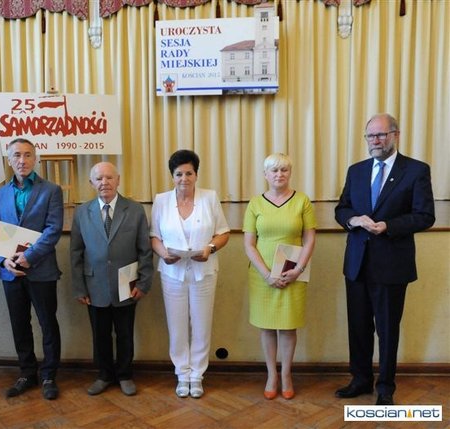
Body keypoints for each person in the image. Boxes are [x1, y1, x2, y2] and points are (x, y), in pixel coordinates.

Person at [334, 113, 435, 406]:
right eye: (370, 136)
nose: (375, 141)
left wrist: (388, 226)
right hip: (357, 263)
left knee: (387, 330)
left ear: (395, 135)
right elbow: (342, 209)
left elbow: (425, 215)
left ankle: (386, 387)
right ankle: (360, 379)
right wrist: (353, 219)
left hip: (392, 265)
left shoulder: (415, 170)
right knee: (358, 327)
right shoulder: (356, 171)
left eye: (381, 135)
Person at [150, 150, 230, 399]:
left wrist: (210, 248)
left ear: (196, 174)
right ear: (172, 176)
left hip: (203, 271)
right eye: (179, 174)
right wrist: (163, 253)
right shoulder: (161, 200)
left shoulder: (210, 197)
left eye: (189, 173)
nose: (184, 178)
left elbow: (223, 232)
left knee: (202, 324)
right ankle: (182, 374)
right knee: (176, 326)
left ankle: (197, 376)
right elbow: (155, 236)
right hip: (172, 272)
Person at [0, 138, 63, 400]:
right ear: (9, 160)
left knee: (47, 323)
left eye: (28, 155)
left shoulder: (51, 190)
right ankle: (27, 373)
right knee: (19, 324)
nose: (22, 160)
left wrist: (29, 257)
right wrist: (4, 260)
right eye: (17, 155)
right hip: (10, 272)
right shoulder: (1, 194)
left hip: (41, 270)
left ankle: (49, 375)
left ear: (35, 159)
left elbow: (53, 229)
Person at [70, 162, 153, 396]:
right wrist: (79, 288)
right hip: (93, 285)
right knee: (100, 334)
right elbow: (76, 252)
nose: (104, 182)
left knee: (125, 333)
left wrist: (143, 283)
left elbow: (145, 250)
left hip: (127, 284)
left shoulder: (134, 210)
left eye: (109, 177)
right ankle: (104, 375)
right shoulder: (82, 212)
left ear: (118, 180)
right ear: (91, 183)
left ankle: (125, 374)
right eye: (99, 179)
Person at [243, 153, 316, 401]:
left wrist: (298, 269)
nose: (279, 174)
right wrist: (266, 275)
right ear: (265, 174)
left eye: (284, 170)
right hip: (262, 274)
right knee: (267, 326)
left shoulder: (302, 201)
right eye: (274, 170)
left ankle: (286, 375)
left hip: (293, 273)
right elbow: (249, 244)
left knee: (287, 326)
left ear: (290, 173)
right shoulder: (255, 203)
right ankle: (271, 375)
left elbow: (309, 239)